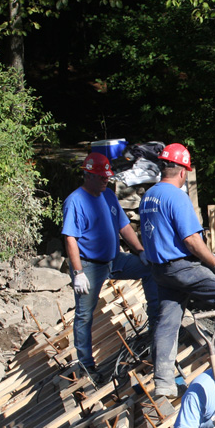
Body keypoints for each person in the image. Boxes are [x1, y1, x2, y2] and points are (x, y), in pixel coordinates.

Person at [138, 143, 215, 397]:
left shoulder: (149, 196)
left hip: (160, 270)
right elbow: (192, 240)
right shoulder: (176, 196)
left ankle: (163, 381)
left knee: (168, 320)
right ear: (183, 171)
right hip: (181, 267)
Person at [62, 152, 159, 372]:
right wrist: (78, 272)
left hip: (114, 259)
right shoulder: (75, 201)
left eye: (107, 176)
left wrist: (140, 251)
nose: (106, 180)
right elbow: (70, 239)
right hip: (89, 265)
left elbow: (124, 226)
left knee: (150, 270)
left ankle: (155, 329)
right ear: (88, 175)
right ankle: (86, 364)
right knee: (84, 314)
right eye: (101, 176)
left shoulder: (108, 195)